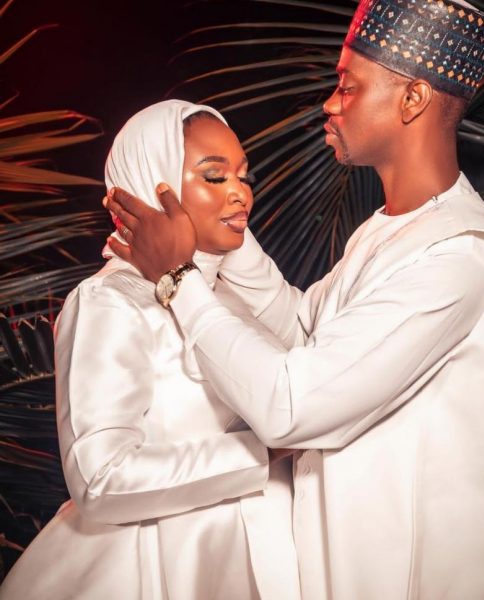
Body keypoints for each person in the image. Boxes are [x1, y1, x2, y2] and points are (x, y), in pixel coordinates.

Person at [105, 1, 484, 598]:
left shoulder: (458, 254)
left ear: (412, 100)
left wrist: (178, 277)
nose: (330, 104)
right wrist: (219, 224)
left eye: (348, 86)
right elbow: (301, 331)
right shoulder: (388, 230)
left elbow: (291, 405)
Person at [0, 100, 301, 600]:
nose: (241, 192)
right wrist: (263, 451)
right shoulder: (109, 300)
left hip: (263, 555)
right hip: (154, 569)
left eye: (243, 176)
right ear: (151, 185)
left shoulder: (228, 296)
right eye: (214, 176)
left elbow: (308, 354)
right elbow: (100, 478)